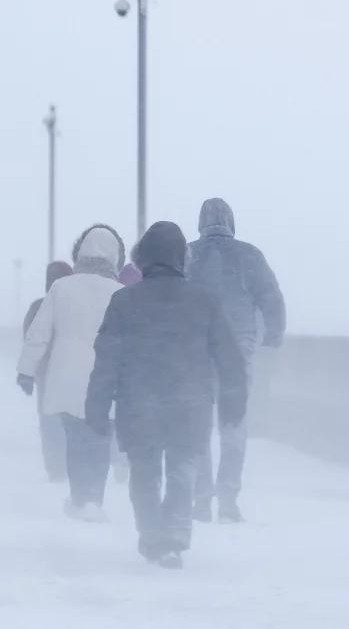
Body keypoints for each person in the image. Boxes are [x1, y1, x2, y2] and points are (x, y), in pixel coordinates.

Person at [85, 221, 247, 569]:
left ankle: (151, 534)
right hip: (189, 402)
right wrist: (234, 402)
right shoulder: (204, 301)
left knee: (144, 470)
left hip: (138, 402)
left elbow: (107, 359)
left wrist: (97, 406)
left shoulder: (124, 301)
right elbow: (230, 358)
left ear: (142, 257)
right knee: (182, 469)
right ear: (181, 258)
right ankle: (174, 535)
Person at [187, 198, 286, 523]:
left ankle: (201, 499)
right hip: (236, 350)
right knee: (233, 425)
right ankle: (228, 499)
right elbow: (271, 297)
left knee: (198, 426)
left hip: (196, 350)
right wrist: (272, 336)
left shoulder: (189, 255)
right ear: (231, 222)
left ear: (201, 222)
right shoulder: (249, 256)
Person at [17, 225, 125, 522]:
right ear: (115, 257)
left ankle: (79, 497)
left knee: (75, 439)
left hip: (66, 376)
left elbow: (38, 334)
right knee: (100, 439)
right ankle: (95, 499)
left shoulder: (61, 288)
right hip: (105, 378)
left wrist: (26, 371)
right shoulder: (120, 293)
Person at [22, 261, 74, 481]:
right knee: (72, 420)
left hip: (47, 373)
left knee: (49, 420)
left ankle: (55, 466)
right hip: (73, 371)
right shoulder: (76, 305)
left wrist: (29, 370)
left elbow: (30, 340)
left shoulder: (38, 307)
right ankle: (72, 463)